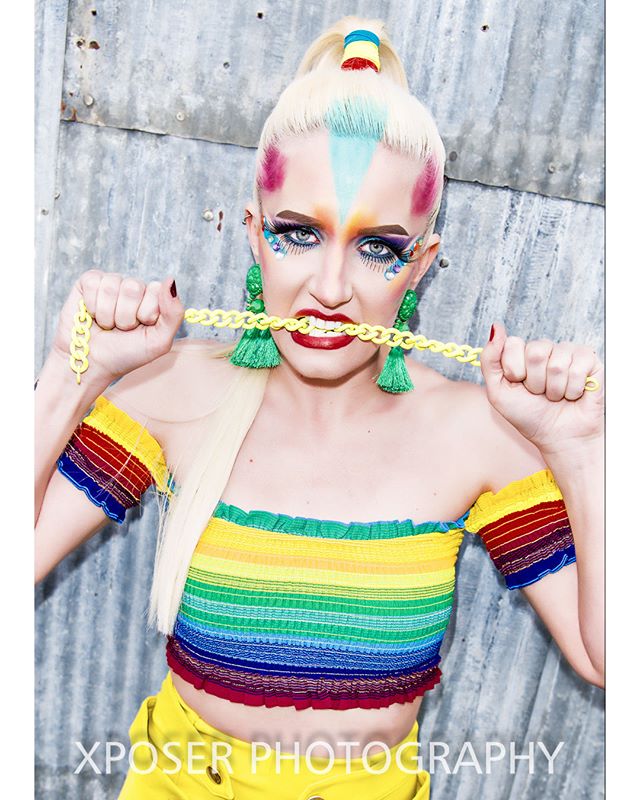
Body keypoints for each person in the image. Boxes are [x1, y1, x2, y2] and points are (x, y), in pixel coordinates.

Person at [34, 15, 604, 800]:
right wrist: (69, 377)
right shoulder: (170, 393)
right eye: (299, 234)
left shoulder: (478, 435)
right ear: (254, 235)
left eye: (379, 247)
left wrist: (583, 452)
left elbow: (608, 660)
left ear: (421, 266)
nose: (331, 290)